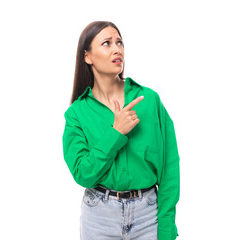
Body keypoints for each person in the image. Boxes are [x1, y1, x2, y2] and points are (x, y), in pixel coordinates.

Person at [62, 21, 180, 240]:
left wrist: (166, 229)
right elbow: (83, 174)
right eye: (107, 43)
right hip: (99, 218)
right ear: (87, 56)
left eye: (119, 42)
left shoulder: (149, 101)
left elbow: (169, 170)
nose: (117, 49)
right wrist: (116, 133)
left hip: (149, 217)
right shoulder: (77, 113)